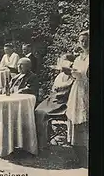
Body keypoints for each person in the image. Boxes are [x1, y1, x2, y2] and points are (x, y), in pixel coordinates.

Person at [35, 54, 76, 150]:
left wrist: (60, 90)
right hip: (53, 99)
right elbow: (54, 89)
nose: (63, 69)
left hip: (63, 102)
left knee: (42, 113)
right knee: (37, 110)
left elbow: (69, 92)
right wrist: (56, 91)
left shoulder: (73, 78)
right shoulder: (60, 75)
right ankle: (42, 138)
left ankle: (43, 142)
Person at [65, 30, 89, 168]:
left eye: (86, 40)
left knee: (85, 120)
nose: (83, 43)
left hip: (87, 89)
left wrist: (77, 74)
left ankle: (88, 156)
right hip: (77, 89)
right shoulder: (79, 58)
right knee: (75, 119)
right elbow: (75, 75)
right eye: (81, 41)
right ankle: (79, 156)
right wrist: (70, 72)